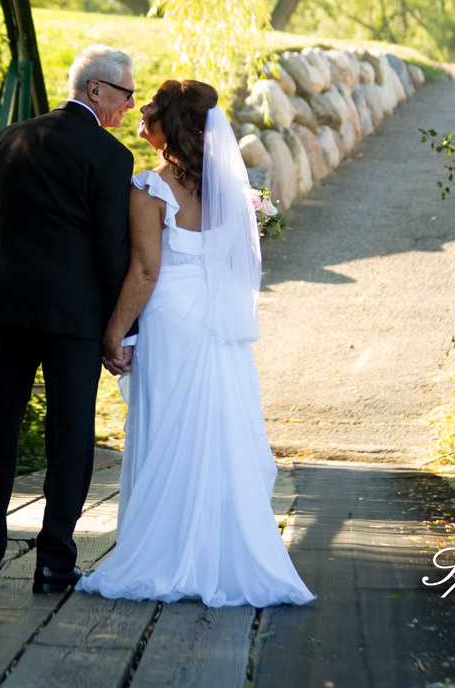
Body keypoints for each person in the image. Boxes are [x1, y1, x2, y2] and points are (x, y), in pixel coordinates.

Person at [77, 80, 315, 607]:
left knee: (165, 426)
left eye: (153, 112)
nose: (142, 115)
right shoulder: (228, 189)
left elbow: (144, 270)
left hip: (169, 316)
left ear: (173, 126)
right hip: (215, 319)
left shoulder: (149, 187)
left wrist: (113, 333)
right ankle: (217, 548)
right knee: (217, 426)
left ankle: (161, 551)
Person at [0, 45, 137, 594]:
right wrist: (121, 332)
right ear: (95, 91)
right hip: (75, 318)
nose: (129, 106)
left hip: (9, 309)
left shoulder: (11, 139)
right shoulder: (110, 158)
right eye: (125, 94)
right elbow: (112, 252)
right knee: (70, 435)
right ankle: (54, 561)